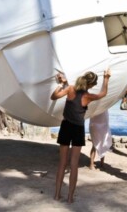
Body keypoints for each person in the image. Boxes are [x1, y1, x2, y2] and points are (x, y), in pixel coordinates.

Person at [51, 69, 111, 203]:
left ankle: (56, 195)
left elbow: (53, 96)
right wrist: (106, 78)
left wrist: (62, 84)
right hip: (78, 129)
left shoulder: (70, 89)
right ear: (90, 84)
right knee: (73, 164)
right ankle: (70, 198)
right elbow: (103, 93)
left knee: (62, 163)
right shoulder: (88, 96)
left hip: (65, 127)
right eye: (94, 84)